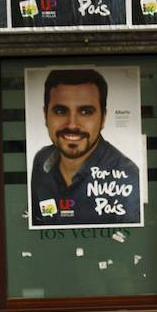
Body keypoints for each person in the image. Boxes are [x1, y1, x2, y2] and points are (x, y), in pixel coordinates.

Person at [30, 68, 142, 225]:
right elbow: (38, 222)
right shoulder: (41, 161)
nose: (72, 124)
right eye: (60, 111)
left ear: (103, 118)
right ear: (45, 115)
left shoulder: (128, 177)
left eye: (85, 112)